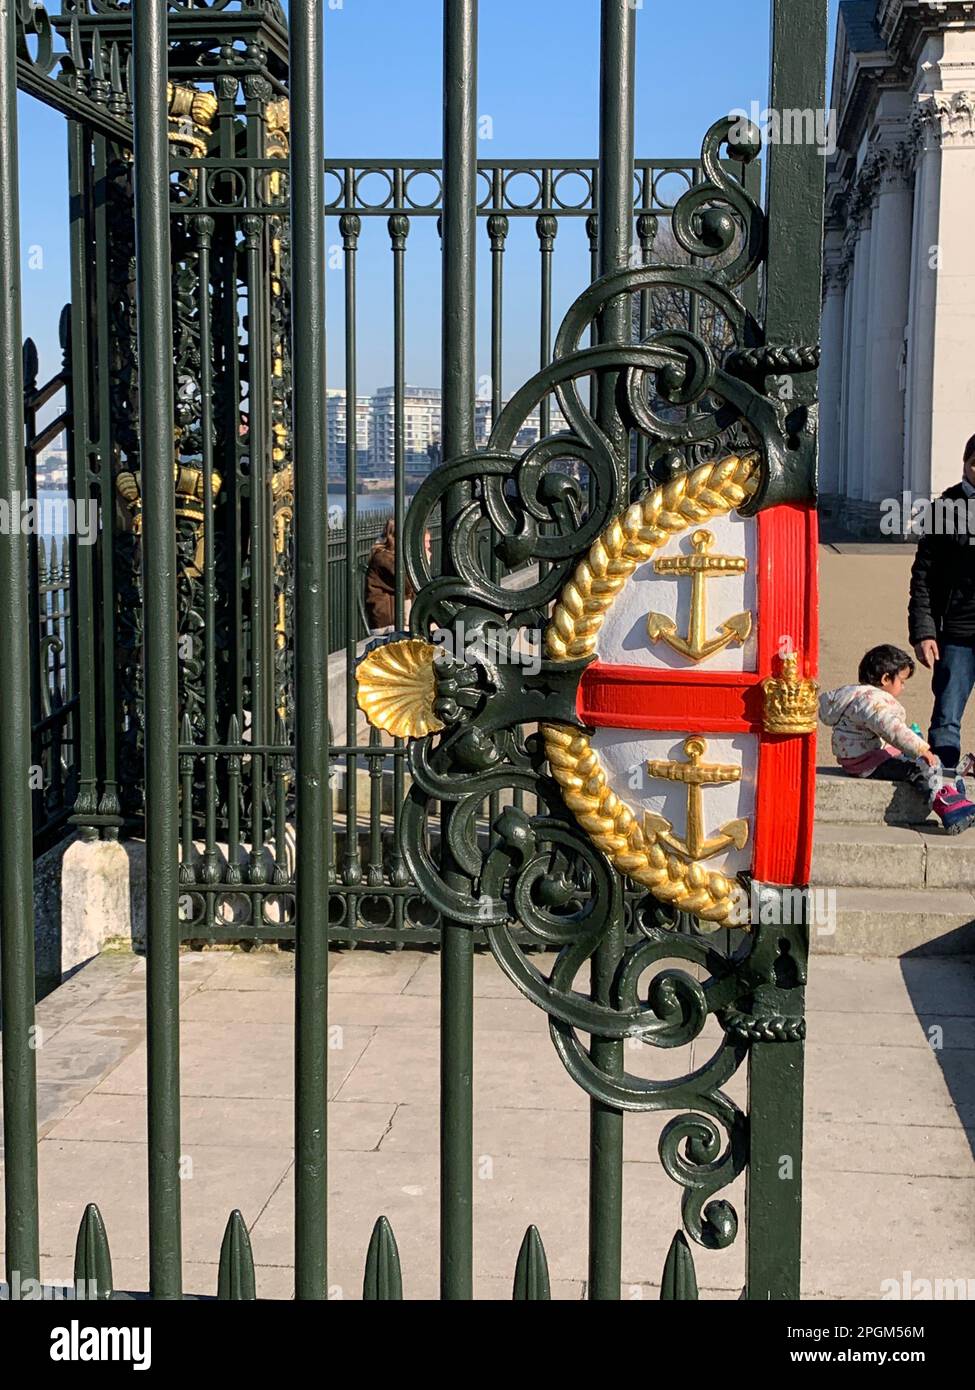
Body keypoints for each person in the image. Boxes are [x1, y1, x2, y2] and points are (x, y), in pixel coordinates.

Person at [819, 643, 975, 834]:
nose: (903, 686)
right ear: (886, 679)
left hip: (858, 758)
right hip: (870, 761)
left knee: (920, 760)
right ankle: (949, 806)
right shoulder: (874, 701)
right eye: (901, 681)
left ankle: (950, 782)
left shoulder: (854, 695)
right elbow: (892, 729)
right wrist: (920, 748)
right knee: (921, 768)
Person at [908, 433, 975, 771]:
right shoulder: (945, 509)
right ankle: (944, 784)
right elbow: (923, 577)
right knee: (947, 718)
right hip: (957, 634)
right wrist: (923, 632)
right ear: (966, 464)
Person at [364, 519, 416, 632]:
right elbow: (409, 584)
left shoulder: (391, 557)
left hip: (398, 618)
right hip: (388, 622)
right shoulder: (383, 558)